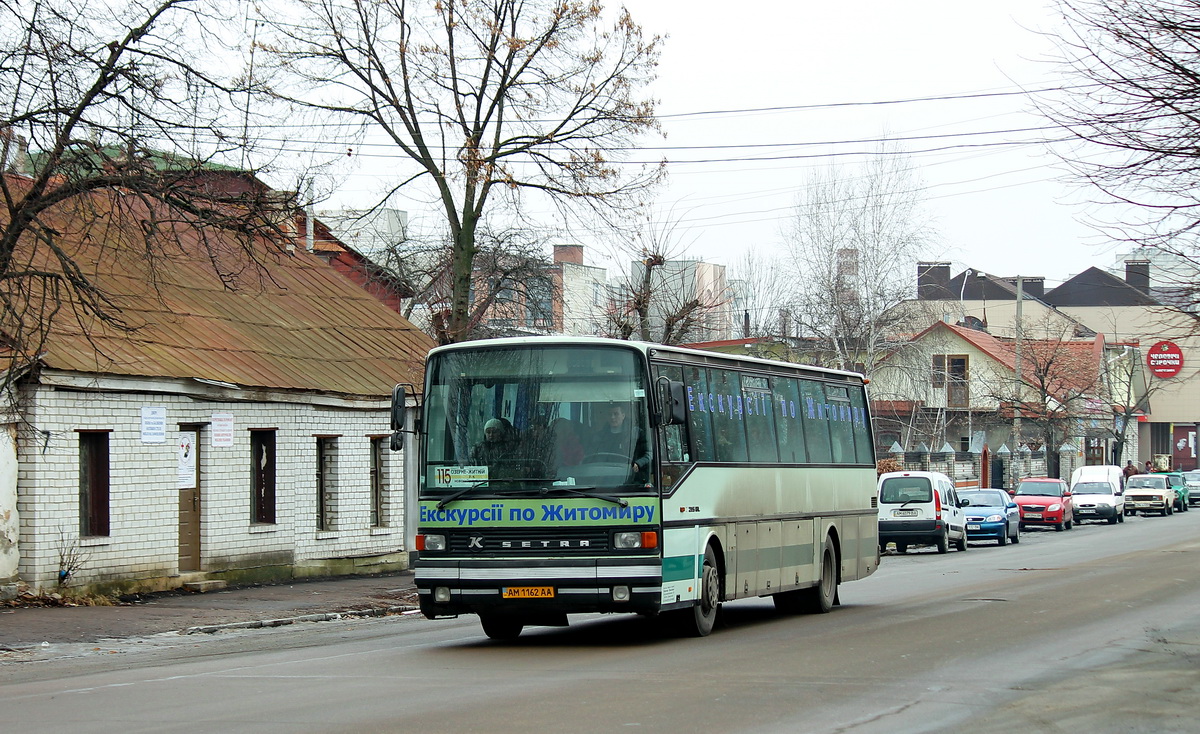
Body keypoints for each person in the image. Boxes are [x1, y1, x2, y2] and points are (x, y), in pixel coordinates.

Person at [590, 403, 650, 475]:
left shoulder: (636, 434)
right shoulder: (599, 437)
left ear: (623, 415)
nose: (612, 417)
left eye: (616, 414)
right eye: (610, 414)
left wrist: (638, 463)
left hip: (631, 476)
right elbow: (593, 457)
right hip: (604, 476)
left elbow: (648, 454)